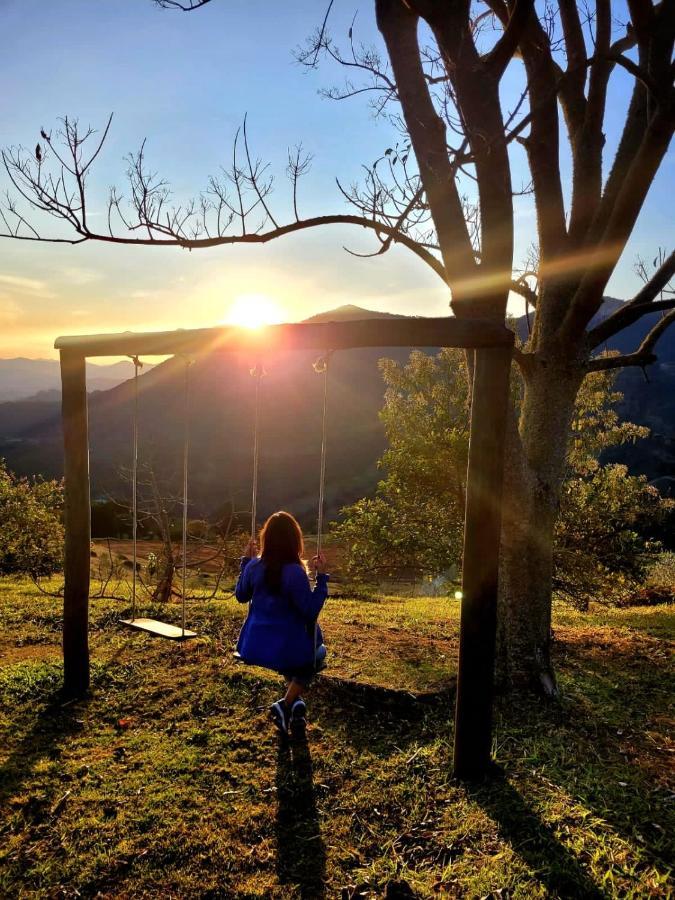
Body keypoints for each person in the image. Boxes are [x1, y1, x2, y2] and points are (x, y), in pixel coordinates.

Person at [234, 510, 329, 735]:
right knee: (317, 655)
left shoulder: (254, 566)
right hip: (283, 649)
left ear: (266, 538)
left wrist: (245, 563)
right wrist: (322, 579)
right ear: (294, 540)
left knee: (295, 656)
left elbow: (240, 596)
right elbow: (309, 612)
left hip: (253, 647)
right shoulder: (294, 572)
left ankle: (295, 707)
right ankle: (285, 704)